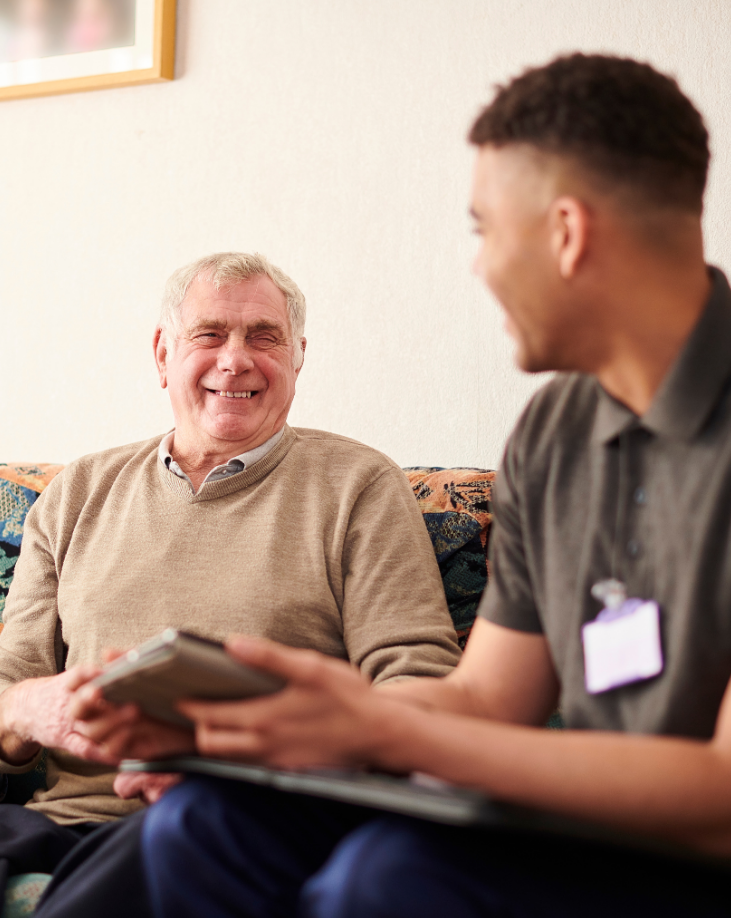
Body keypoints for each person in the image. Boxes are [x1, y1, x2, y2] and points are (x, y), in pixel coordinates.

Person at [132, 54, 731, 917]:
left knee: (386, 879)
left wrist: (386, 726)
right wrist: (267, 728)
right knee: (204, 821)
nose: (479, 266)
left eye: (484, 229)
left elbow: (719, 793)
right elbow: (489, 698)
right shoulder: (553, 434)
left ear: (565, 233)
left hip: (691, 853)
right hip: (579, 832)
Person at [0, 251, 461, 917]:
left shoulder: (358, 485)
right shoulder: (74, 494)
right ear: (163, 354)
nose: (235, 359)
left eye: (263, 337)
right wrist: (30, 708)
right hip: (60, 822)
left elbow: (418, 681)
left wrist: (248, 758)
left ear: (297, 358)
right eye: (209, 334)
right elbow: (12, 680)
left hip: (246, 810)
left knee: (188, 827)